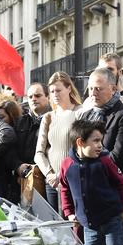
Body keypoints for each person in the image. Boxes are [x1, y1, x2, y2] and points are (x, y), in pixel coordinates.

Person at [60, 120, 123, 245]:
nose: (100, 145)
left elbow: (121, 183)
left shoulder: (105, 161)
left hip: (111, 220)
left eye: (101, 140)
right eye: (96, 141)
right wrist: (69, 212)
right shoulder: (67, 165)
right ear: (80, 142)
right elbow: (65, 189)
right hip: (89, 225)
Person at [35, 72, 83, 212]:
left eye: (58, 90)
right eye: (52, 91)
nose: (55, 94)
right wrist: (49, 174)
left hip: (73, 178)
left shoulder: (80, 112)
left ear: (69, 88)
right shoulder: (48, 117)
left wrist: (60, 174)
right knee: (56, 227)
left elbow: (81, 149)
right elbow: (39, 152)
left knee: (73, 225)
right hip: (52, 182)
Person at [79, 68, 123, 176]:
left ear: (113, 89)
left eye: (98, 89)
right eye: (90, 88)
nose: (93, 93)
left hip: (112, 183)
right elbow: (77, 149)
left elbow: (118, 156)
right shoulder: (86, 115)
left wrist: (90, 170)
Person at [8, 83, 51, 204]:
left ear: (47, 97)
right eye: (30, 96)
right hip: (23, 179)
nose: (33, 99)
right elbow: (10, 149)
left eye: (37, 95)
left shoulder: (54, 119)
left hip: (48, 179)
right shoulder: (19, 122)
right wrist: (18, 166)